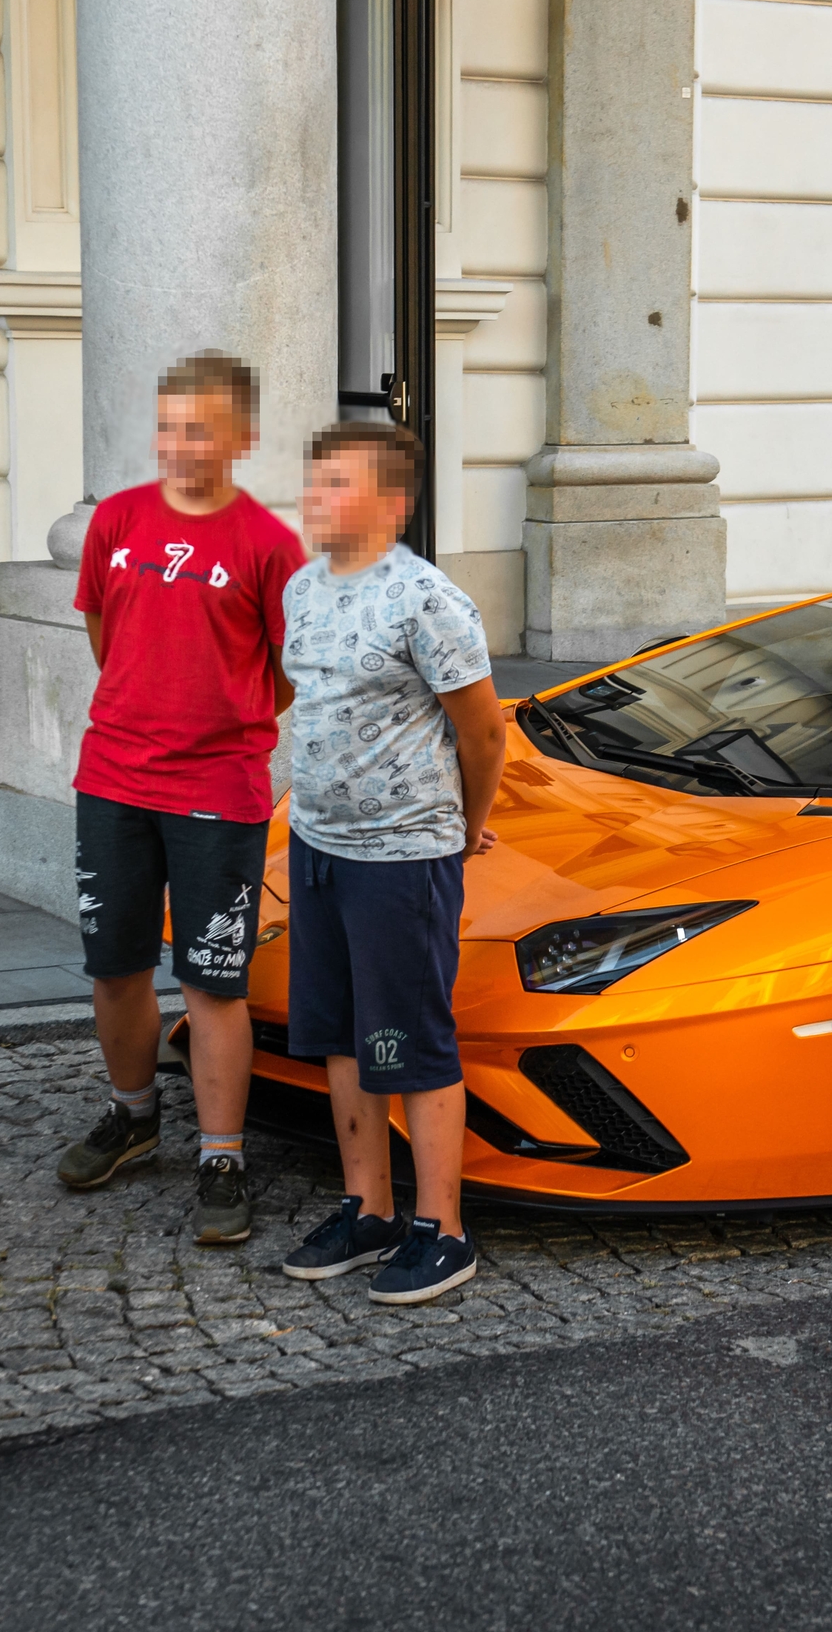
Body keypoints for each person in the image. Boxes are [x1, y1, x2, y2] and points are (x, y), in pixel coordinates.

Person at [53, 354, 304, 1245]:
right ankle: (134, 1115)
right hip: (114, 778)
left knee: (211, 979)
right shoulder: (116, 520)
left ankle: (223, 1155)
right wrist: (146, 710)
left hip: (217, 789)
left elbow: (286, 673)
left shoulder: (269, 544)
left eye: (198, 429)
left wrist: (220, 720)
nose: (178, 445)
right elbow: (101, 628)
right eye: (168, 427)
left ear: (242, 438)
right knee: (115, 965)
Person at [275, 422, 506, 1304]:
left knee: (409, 1041)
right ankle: (367, 1207)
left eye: (335, 481)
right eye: (313, 479)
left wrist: (462, 824)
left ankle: (441, 1228)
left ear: (391, 502)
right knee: (339, 1035)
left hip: (403, 857)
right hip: (319, 845)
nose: (313, 496)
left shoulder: (427, 599)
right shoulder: (303, 588)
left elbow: (484, 732)